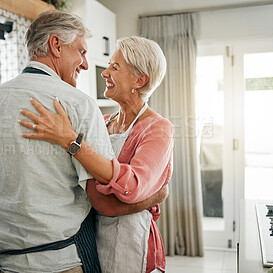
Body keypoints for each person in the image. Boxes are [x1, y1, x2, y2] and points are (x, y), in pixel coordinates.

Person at [0, 10, 167, 273]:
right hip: (60, 263)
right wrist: (158, 195)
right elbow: (103, 203)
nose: (87, 65)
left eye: (114, 66)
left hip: (1, 260)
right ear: (56, 45)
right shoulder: (79, 104)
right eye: (82, 52)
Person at [19, 36, 174, 273]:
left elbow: (132, 186)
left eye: (115, 67)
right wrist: (154, 196)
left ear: (139, 80)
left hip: (131, 240)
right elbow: (89, 187)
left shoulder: (158, 128)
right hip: (92, 236)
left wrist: (71, 141)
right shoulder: (102, 123)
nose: (104, 72)